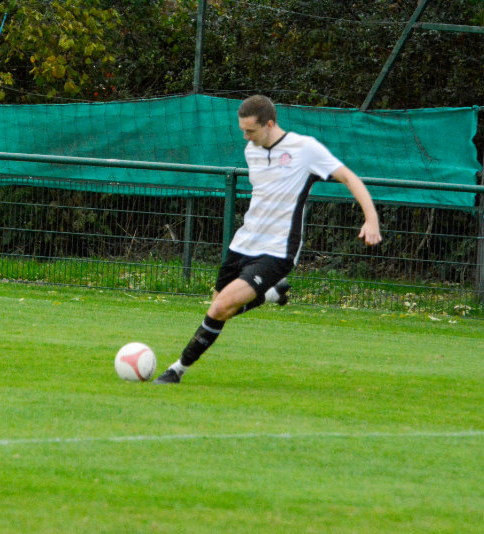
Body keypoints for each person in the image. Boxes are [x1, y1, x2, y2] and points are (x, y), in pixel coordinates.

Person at [153, 95, 382, 384]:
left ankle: (176, 370)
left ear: (270, 124)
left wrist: (371, 219)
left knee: (219, 309)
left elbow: (350, 178)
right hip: (243, 243)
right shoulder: (252, 150)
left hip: (277, 250)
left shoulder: (305, 149)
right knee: (220, 306)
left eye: (250, 130)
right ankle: (271, 294)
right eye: (243, 130)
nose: (246, 137)